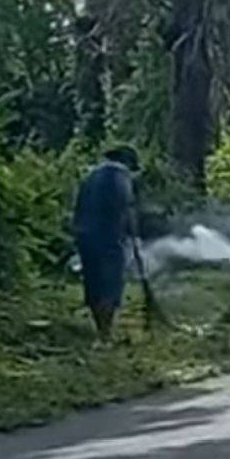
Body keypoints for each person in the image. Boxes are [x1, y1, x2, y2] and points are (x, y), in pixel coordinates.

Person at [74, 144, 141, 340]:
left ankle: (100, 330)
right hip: (110, 238)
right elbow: (126, 208)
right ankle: (106, 334)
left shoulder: (89, 176)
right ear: (128, 162)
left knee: (93, 283)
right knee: (110, 285)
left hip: (85, 237)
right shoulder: (121, 176)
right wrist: (134, 235)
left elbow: (77, 208)